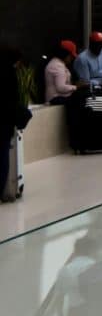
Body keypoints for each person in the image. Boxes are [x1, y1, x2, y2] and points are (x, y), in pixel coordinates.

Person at [1, 47, 32, 205]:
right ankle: (3, 192)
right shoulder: (9, 73)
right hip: (4, 121)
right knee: (3, 155)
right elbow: (13, 99)